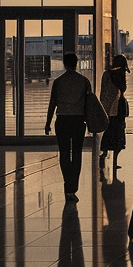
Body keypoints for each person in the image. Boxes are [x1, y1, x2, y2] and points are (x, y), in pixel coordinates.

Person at [44, 52, 90, 202]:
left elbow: (53, 103)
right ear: (76, 63)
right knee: (76, 154)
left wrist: (47, 122)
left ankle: (67, 185)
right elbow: (89, 104)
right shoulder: (84, 81)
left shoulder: (58, 82)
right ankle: (73, 188)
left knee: (64, 153)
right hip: (78, 121)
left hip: (62, 120)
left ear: (64, 64)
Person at [99, 53, 129, 169]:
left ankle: (104, 153)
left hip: (108, 107)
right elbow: (123, 89)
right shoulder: (120, 74)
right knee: (119, 133)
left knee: (108, 131)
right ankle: (115, 161)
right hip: (118, 106)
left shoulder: (106, 74)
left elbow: (103, 91)